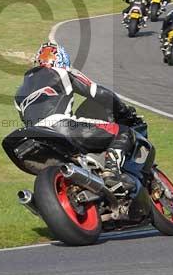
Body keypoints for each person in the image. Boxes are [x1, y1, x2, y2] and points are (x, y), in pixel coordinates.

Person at [15, 42, 139, 191]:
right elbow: (99, 93)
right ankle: (112, 172)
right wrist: (124, 111)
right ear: (61, 59)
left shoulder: (19, 93)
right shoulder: (62, 71)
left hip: (36, 137)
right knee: (124, 132)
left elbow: (27, 118)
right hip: (61, 127)